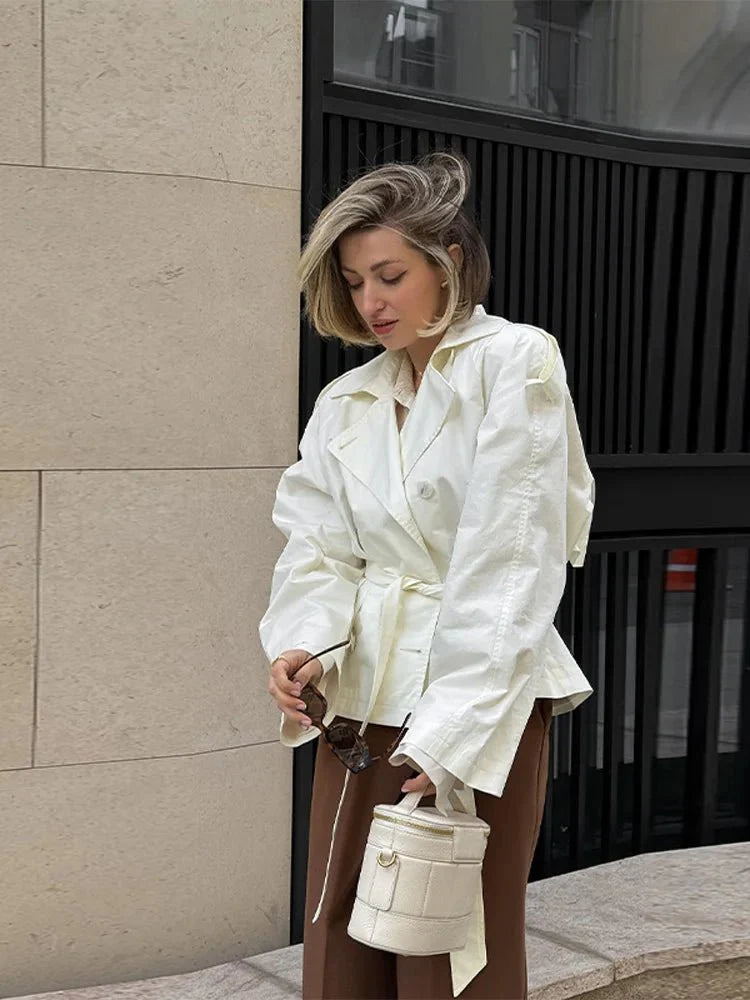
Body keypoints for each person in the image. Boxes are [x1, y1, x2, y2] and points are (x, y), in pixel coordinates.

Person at [259, 150, 596, 1000]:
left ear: (447, 265)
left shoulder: (513, 361)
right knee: (339, 931)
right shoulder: (347, 400)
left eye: (390, 275)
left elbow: (512, 557)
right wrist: (302, 648)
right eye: (354, 282)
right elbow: (318, 546)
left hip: (479, 698)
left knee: (447, 947)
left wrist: (452, 733)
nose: (371, 301)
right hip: (361, 697)